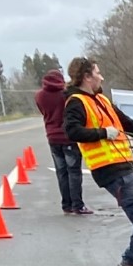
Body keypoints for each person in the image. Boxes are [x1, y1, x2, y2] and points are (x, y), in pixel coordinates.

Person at [62, 57, 133, 266]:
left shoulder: (102, 100)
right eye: (97, 73)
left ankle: (132, 257)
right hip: (109, 171)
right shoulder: (76, 102)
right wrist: (103, 133)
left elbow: (128, 124)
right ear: (86, 77)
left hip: (123, 166)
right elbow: (71, 131)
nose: (101, 76)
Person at [34, 69, 89, 215]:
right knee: (74, 172)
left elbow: (43, 112)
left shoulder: (39, 96)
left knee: (61, 172)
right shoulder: (66, 95)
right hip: (68, 137)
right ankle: (78, 205)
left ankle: (66, 205)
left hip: (52, 137)